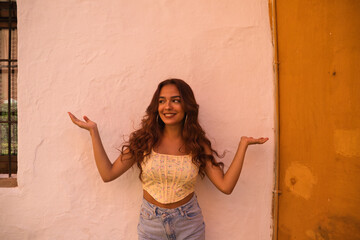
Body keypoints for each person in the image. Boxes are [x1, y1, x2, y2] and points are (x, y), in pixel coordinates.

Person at [68, 79, 268, 240]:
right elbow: (108, 173)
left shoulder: (197, 144)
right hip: (151, 225)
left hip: (189, 224)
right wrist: (93, 132)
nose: (167, 106)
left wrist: (243, 145)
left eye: (176, 100)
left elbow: (225, 186)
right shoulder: (144, 141)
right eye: (162, 101)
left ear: (186, 105)